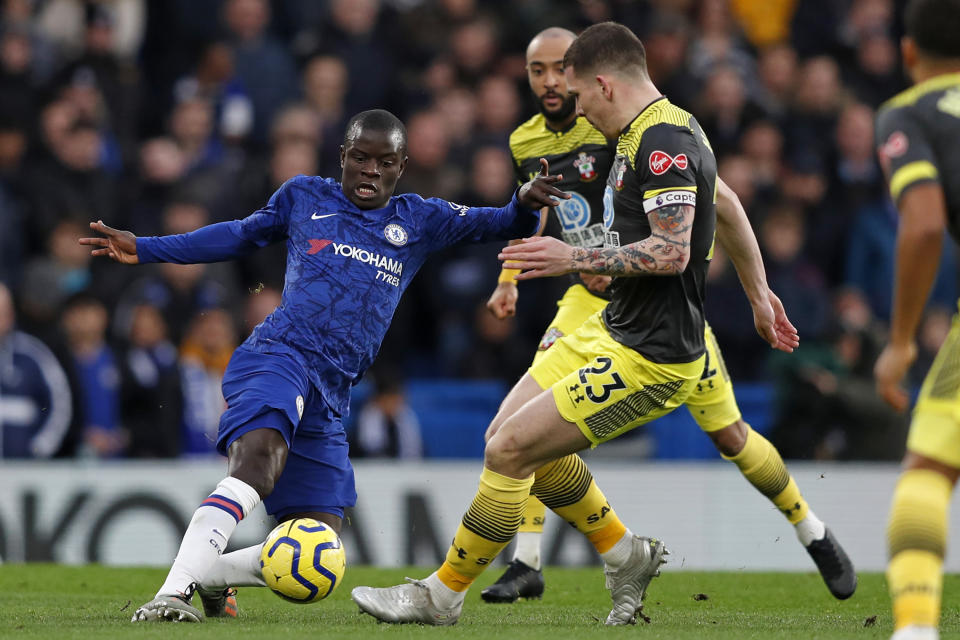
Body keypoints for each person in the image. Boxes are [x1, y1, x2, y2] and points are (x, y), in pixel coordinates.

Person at [350, 22, 796, 627]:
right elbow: (730, 205)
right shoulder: (663, 127)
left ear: (606, 85)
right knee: (508, 432)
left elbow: (672, 251)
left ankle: (441, 595)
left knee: (510, 450)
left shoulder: (659, 142)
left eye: (580, 93)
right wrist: (760, 296)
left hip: (655, 355)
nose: (576, 105)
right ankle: (624, 552)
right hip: (615, 326)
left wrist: (573, 257)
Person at [80, 109, 562, 623]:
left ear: (401, 167)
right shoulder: (304, 196)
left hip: (331, 391)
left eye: (384, 162)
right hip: (279, 355)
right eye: (360, 158)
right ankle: (172, 596)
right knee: (258, 460)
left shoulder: (419, 218)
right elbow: (239, 235)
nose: (370, 171)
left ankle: (212, 575)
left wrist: (524, 202)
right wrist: (148, 248)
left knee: (320, 544)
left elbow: (502, 223)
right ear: (343, 157)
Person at [480, 27, 855, 606]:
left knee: (731, 436)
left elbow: (716, 204)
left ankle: (811, 529)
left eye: (561, 68)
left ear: (594, 77)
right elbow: (542, 213)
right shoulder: (529, 140)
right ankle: (527, 559)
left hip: (662, 308)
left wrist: (759, 292)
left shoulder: (635, 126)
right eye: (538, 71)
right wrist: (510, 279)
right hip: (588, 302)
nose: (552, 81)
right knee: (531, 421)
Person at [873, 2, 960, 639]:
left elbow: (925, 223)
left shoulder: (910, 113)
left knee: (928, 472)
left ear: (907, 52)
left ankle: (916, 628)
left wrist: (900, 340)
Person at [0, 282, 73, 458]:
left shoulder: (33, 354)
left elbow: (60, 404)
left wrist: (38, 450)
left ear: (11, 315)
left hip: (24, 474)